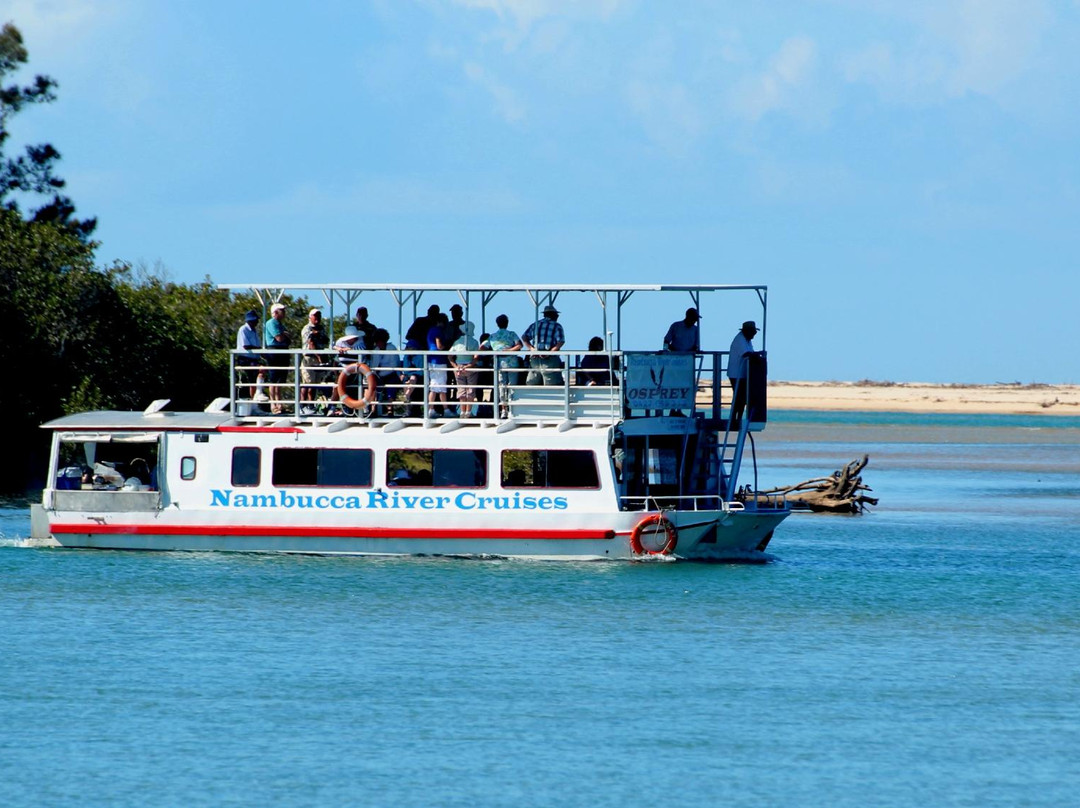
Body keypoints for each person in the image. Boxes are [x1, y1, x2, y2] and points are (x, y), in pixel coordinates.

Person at [521, 304, 565, 385]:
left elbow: (524, 337)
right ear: (553, 315)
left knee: (533, 381)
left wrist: (531, 349)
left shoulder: (535, 324)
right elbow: (561, 342)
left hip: (535, 358)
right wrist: (550, 352)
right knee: (551, 382)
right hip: (549, 359)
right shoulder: (556, 326)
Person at [727, 320, 759, 423]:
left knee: (742, 397)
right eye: (753, 332)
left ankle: (738, 418)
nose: (754, 335)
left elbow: (751, 353)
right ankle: (734, 419)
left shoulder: (747, 340)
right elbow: (746, 354)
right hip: (736, 374)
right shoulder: (740, 340)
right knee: (739, 397)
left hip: (742, 374)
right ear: (747, 331)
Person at [367, 328, 403, 415]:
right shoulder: (376, 350)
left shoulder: (391, 348)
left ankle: (390, 409)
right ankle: (373, 409)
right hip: (378, 374)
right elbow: (374, 365)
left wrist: (382, 372)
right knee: (372, 385)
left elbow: (395, 365)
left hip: (391, 374)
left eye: (380, 341)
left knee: (391, 387)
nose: (378, 344)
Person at [263, 303, 291, 414]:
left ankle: (279, 404)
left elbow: (289, 338)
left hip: (283, 351)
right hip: (274, 351)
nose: (284, 313)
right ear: (275, 312)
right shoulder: (271, 323)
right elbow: (279, 338)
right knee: (273, 378)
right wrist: (285, 335)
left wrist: (285, 335)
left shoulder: (280, 324)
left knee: (280, 379)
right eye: (281, 310)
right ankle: (273, 404)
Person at [300, 308, 330, 408]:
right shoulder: (307, 328)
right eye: (315, 315)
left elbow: (326, 339)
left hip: (319, 358)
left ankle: (311, 405)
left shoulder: (322, 328)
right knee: (307, 382)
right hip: (310, 358)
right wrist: (318, 356)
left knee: (315, 384)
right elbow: (310, 342)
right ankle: (302, 405)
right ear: (310, 317)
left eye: (319, 315)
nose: (317, 318)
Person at [450, 322, 480, 417]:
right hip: (470, 367)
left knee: (461, 390)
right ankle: (468, 412)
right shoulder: (474, 342)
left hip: (458, 367)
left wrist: (455, 366)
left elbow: (449, 356)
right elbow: (476, 357)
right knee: (470, 390)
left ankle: (462, 412)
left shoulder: (457, 342)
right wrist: (470, 365)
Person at [235, 309, 265, 401]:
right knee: (261, 369)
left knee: (253, 380)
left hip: (253, 358)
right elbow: (246, 345)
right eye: (255, 320)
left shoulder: (254, 330)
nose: (257, 322)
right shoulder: (243, 329)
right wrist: (259, 349)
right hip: (245, 358)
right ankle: (258, 393)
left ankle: (254, 402)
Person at [426, 312, 451, 417]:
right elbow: (439, 345)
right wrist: (447, 347)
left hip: (431, 361)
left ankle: (432, 409)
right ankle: (445, 410)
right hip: (439, 361)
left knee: (434, 386)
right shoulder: (438, 331)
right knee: (440, 387)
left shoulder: (430, 330)